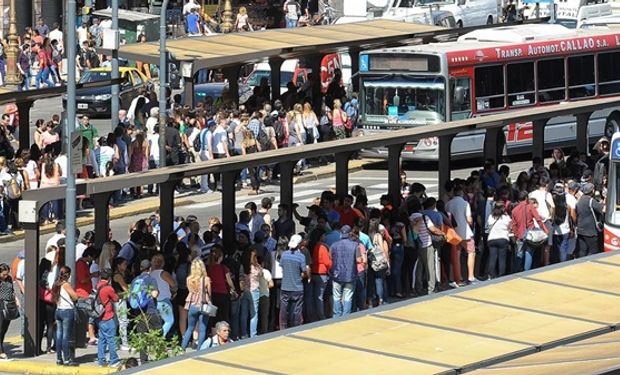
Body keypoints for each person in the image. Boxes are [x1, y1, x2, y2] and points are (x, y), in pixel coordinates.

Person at [330, 225, 361, 317]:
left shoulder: (333, 245)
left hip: (336, 275)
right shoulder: (355, 245)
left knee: (336, 297)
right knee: (348, 297)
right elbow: (359, 260)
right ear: (350, 233)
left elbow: (330, 257)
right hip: (350, 275)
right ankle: (345, 316)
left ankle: (336, 315)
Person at [181, 259, 212, 350]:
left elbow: (190, 291)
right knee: (202, 329)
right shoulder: (206, 279)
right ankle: (199, 349)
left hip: (192, 305)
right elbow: (209, 293)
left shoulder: (188, 279)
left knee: (190, 328)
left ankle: (182, 347)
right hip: (203, 305)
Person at [279, 234, 307, 329]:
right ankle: (296, 327)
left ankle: (283, 328)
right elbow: (304, 272)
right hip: (297, 287)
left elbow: (282, 268)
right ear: (299, 244)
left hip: (285, 287)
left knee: (283, 310)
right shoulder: (301, 257)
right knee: (297, 310)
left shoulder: (284, 254)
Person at [53, 266, 78, 366]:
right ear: (67, 275)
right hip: (67, 311)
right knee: (66, 336)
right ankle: (67, 359)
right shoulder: (66, 284)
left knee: (59, 336)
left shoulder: (56, 284)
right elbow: (75, 297)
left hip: (58, 310)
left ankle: (59, 358)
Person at [96, 270, 120, 368]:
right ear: (109, 279)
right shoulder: (108, 288)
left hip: (100, 317)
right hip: (108, 316)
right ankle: (113, 360)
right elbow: (116, 299)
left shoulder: (97, 286)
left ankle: (101, 360)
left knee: (102, 340)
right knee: (111, 339)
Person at [150, 253, 177, 338]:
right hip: (164, 301)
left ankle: (155, 338)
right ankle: (160, 339)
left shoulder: (151, 274)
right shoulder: (163, 273)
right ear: (162, 263)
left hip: (154, 301)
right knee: (169, 321)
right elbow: (173, 285)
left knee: (159, 322)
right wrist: (173, 291)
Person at [485, 200, 513, 279]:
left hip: (492, 238)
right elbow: (510, 227)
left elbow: (488, 226)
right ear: (503, 208)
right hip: (503, 238)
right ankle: (501, 275)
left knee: (492, 257)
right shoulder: (506, 217)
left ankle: (491, 274)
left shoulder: (491, 216)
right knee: (502, 258)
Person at [575, 182, 604, 257]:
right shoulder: (591, 201)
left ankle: (581, 263)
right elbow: (602, 209)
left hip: (580, 229)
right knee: (593, 250)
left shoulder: (580, 200)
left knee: (582, 250)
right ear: (592, 191)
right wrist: (602, 202)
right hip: (590, 231)